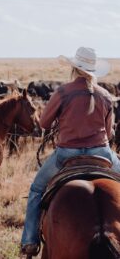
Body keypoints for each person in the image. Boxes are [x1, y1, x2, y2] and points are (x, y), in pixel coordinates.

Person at [20, 46, 120, 256]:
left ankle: (29, 240)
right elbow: (110, 132)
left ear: (74, 68)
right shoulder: (105, 95)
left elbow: (45, 123)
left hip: (66, 154)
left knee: (37, 189)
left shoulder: (63, 92)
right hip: (102, 153)